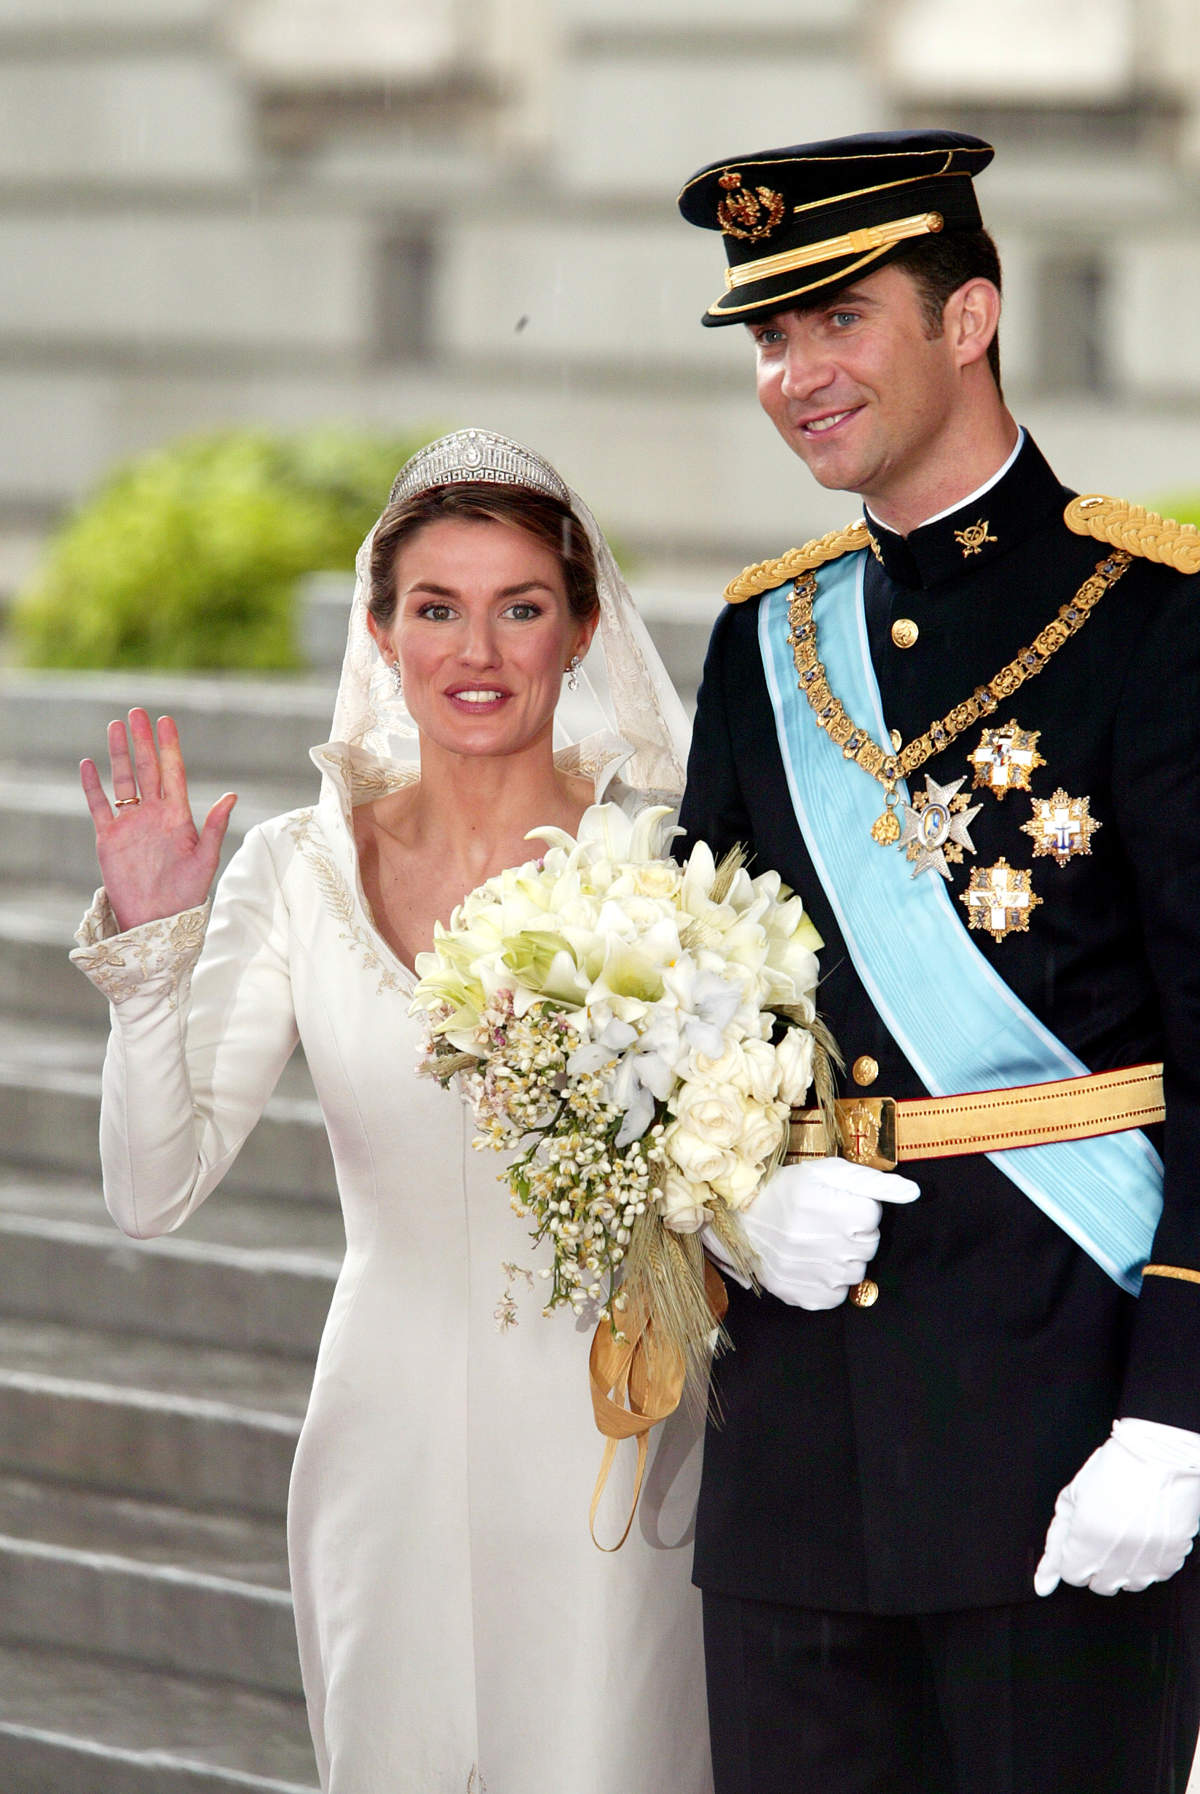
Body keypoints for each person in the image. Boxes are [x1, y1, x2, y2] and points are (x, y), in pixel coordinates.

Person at [71, 428, 713, 1794]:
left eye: (519, 606)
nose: (476, 650)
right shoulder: (294, 871)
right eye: (437, 607)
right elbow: (148, 1189)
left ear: (581, 626)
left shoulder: (661, 861)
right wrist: (152, 955)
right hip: (382, 1450)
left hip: (616, 1455)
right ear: (383, 629)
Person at [675, 129, 1200, 1793]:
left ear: (970, 314)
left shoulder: (1157, 617)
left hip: (1066, 1427)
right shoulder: (763, 640)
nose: (794, 374)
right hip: (800, 1452)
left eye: (836, 321)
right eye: (769, 339)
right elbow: (700, 1001)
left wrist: (1181, 1407)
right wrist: (732, 1197)